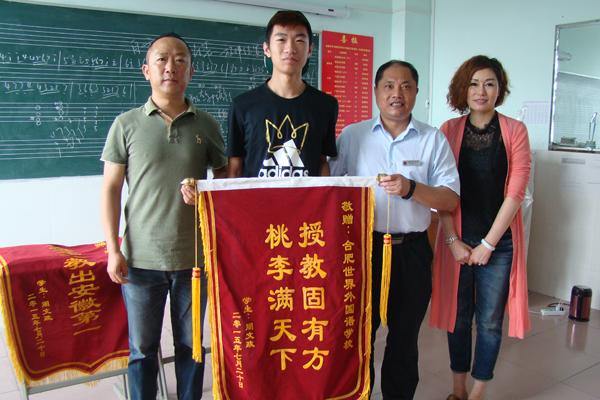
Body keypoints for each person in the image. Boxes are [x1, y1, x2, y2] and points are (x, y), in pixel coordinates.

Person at [100, 32, 227, 400]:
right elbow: (110, 190)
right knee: (142, 349)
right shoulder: (126, 124)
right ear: (147, 70)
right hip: (140, 260)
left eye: (180, 60)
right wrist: (113, 249)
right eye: (162, 59)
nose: (171, 67)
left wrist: (205, 194)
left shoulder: (207, 125)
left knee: (191, 346)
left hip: (194, 260)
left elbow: (226, 184)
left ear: (191, 71)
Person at [329, 60, 460, 400]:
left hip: (412, 252)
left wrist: (411, 188)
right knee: (359, 334)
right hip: (362, 250)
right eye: (388, 85)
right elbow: (329, 186)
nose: (396, 93)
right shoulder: (352, 136)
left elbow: (449, 198)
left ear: (416, 92)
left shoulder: (433, 139)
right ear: (375, 91)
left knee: (404, 338)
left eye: (405, 86)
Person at [429, 55, 531, 400]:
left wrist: (488, 244)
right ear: (464, 88)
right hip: (457, 240)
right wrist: (452, 239)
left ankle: (477, 393)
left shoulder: (515, 130)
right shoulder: (448, 130)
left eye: (489, 83)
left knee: (488, 321)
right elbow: (442, 191)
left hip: (499, 244)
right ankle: (458, 389)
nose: (481, 91)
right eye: (474, 83)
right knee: (458, 318)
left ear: (500, 89)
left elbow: (516, 192)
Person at [226, 10, 338, 178]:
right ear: (267, 49)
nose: (290, 48)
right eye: (281, 40)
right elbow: (235, 170)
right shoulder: (242, 106)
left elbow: (322, 162)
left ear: (310, 50)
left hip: (306, 197)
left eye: (299, 40)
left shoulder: (326, 105)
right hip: (259, 196)